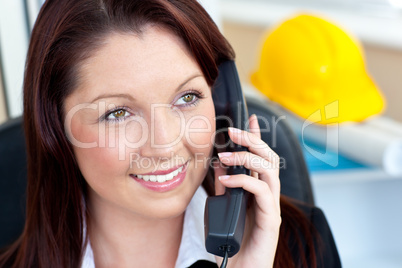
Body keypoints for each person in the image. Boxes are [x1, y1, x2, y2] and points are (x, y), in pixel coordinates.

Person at [0, 0, 341, 267]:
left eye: (187, 98)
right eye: (118, 113)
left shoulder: (303, 246)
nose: (164, 144)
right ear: (56, 128)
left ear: (224, 103)